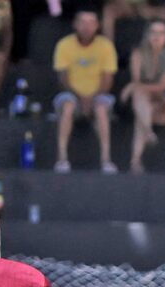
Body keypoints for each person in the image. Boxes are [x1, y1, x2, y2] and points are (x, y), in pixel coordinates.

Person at [52, 10, 118, 174]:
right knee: (67, 105)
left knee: (102, 107)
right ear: (75, 24)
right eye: (83, 22)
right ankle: (62, 159)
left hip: (98, 94)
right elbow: (63, 79)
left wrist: (91, 98)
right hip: (72, 94)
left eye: (91, 22)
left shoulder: (105, 45)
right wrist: (81, 98)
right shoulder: (64, 44)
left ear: (97, 26)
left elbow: (107, 79)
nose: (87, 27)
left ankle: (106, 160)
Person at [121, 20, 165, 174]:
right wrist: (134, 87)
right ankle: (140, 149)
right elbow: (137, 81)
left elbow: (163, 86)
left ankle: (138, 155)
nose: (157, 36)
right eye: (153, 32)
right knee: (141, 101)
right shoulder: (138, 54)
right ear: (147, 35)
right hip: (148, 104)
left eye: (161, 33)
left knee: (140, 97)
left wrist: (132, 87)